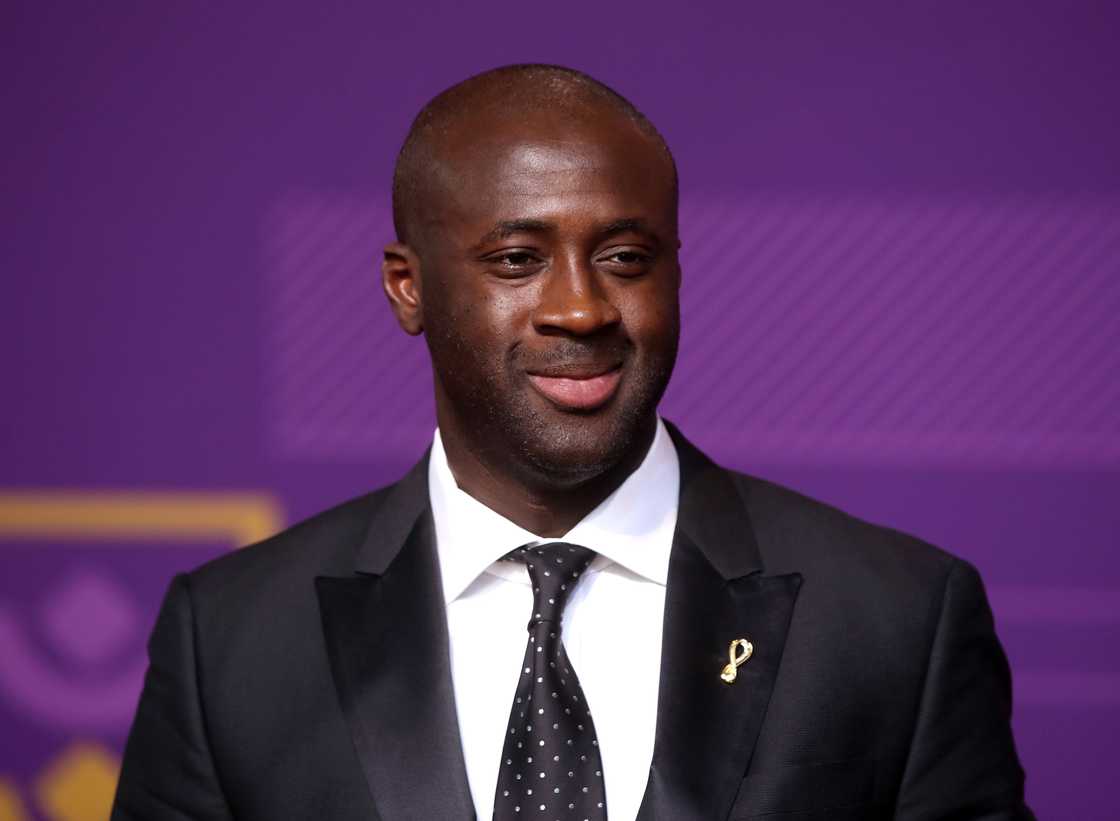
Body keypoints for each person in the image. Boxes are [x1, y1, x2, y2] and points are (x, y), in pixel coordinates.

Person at [111, 64, 1033, 820]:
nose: (583, 308)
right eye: (517, 260)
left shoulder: (897, 617)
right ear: (408, 288)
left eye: (626, 259)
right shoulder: (230, 640)